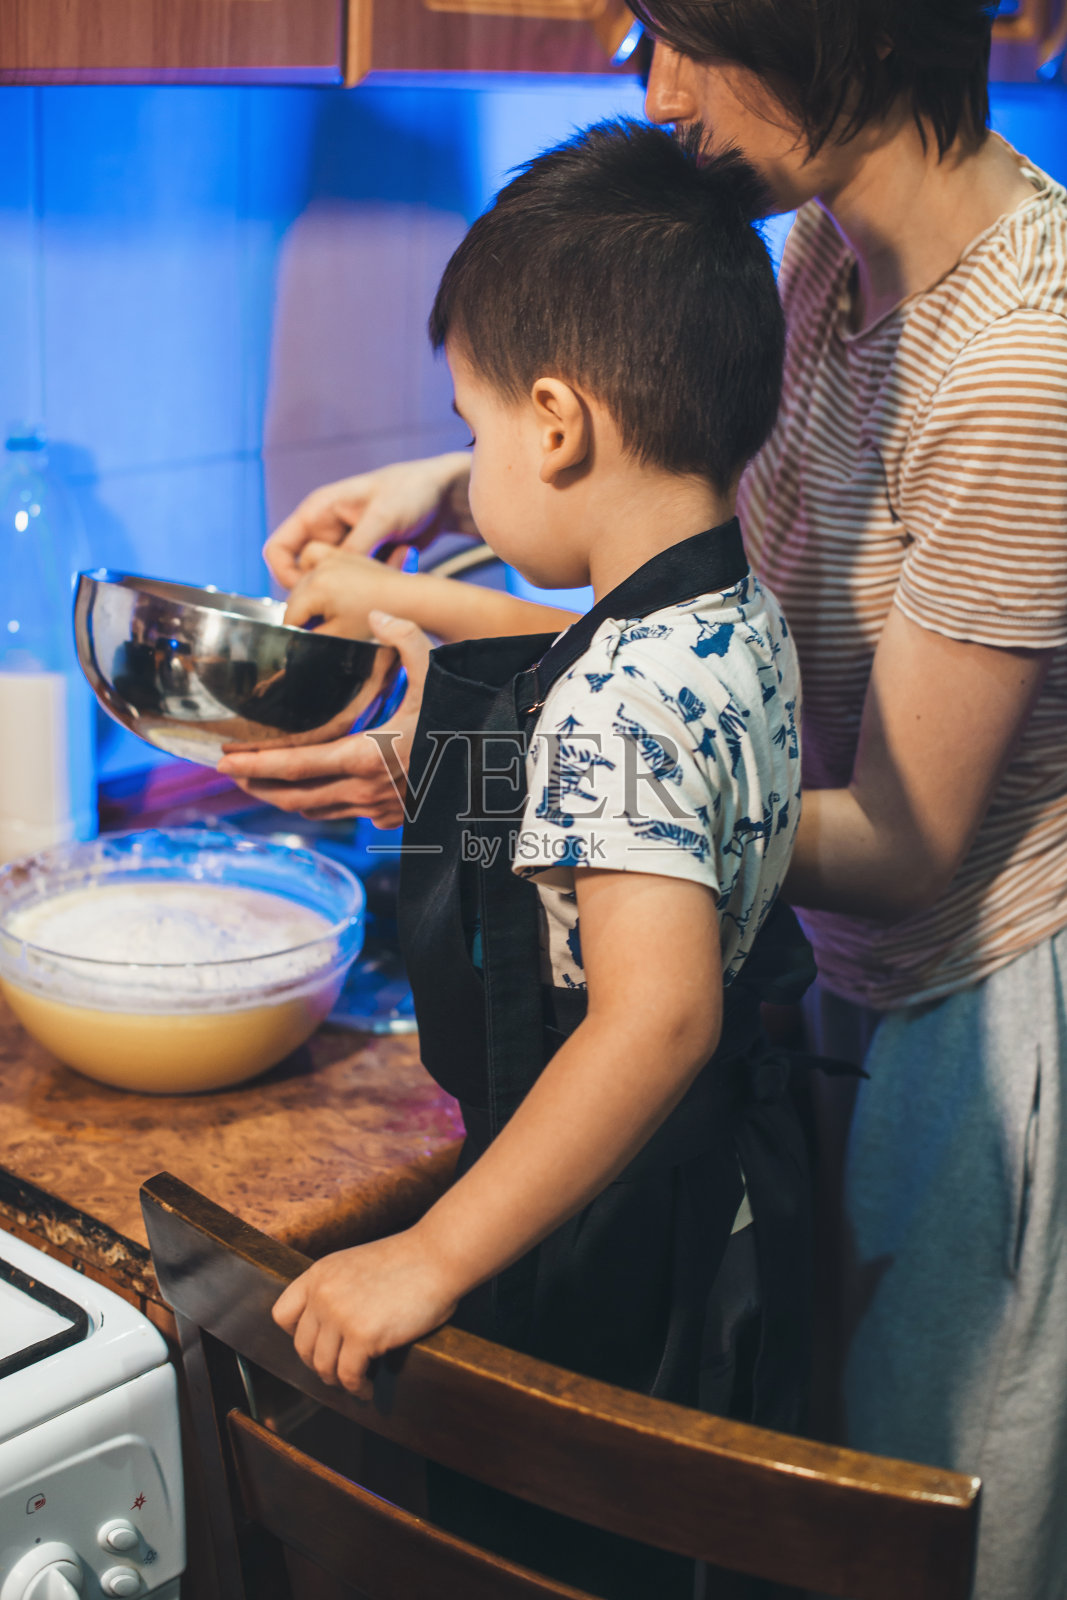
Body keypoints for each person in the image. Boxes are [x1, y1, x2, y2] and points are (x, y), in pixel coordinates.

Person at [224, 7, 1067, 1597]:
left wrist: (431, 1249)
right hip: (778, 1043)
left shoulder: (1026, 361)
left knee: (888, 1535)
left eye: (684, 32)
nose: (659, 88)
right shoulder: (812, 250)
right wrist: (447, 509)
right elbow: (671, 637)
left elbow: (769, 880)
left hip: (957, 1021)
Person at [265, 119, 817, 1599]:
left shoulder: (624, 693)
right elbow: (585, 718)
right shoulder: (722, 614)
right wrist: (397, 621)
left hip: (608, 1237)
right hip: (719, 1200)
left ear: (560, 426)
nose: (472, 469)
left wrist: (431, 1255)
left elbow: (658, 1013)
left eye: (472, 422)